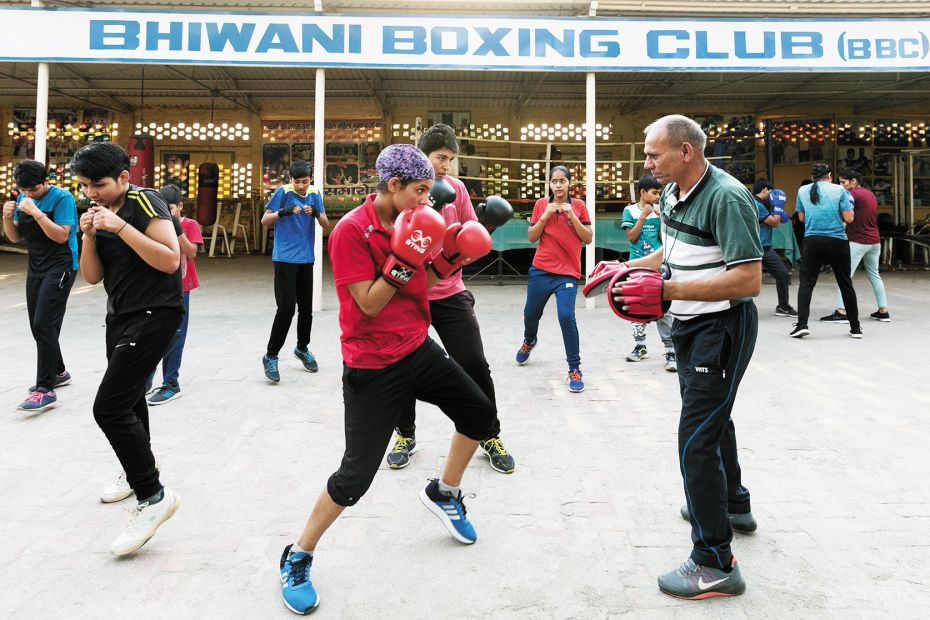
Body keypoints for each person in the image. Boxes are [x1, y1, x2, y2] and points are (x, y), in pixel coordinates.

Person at [279, 144, 498, 614]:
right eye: (419, 191)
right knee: (355, 477)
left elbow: (430, 274)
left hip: (417, 347)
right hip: (372, 364)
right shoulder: (350, 233)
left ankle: (445, 491)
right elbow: (371, 303)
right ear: (392, 185)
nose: (427, 201)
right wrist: (407, 252)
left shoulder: (418, 219)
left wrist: (455, 255)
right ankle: (298, 554)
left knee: (481, 414)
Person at [609, 115, 763, 599]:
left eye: (655, 154)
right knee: (714, 420)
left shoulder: (726, 197)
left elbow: (748, 279)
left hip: (723, 327)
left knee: (695, 439)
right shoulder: (673, 191)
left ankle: (714, 561)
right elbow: (670, 253)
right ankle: (733, 504)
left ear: (686, 152)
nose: (647, 162)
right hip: (692, 325)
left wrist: (669, 289)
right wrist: (625, 266)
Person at [384, 124, 515, 474]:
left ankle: (489, 434)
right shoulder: (406, 194)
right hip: (410, 293)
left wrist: (487, 226)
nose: (445, 166)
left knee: (474, 363)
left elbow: (472, 235)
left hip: (451, 290)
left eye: (450, 160)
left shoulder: (456, 189)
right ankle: (405, 435)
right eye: (440, 158)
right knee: (401, 367)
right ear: (422, 155)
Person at [73, 142, 183, 556]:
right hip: (120, 313)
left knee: (109, 407)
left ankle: (153, 495)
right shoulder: (98, 215)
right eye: (84, 186)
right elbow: (91, 277)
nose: (92, 194)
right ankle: (139, 469)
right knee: (131, 398)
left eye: (98, 184)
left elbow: (170, 261)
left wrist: (119, 228)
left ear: (123, 177)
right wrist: (88, 235)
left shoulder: (144, 201)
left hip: (156, 312)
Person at [3, 159, 78, 412]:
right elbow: (14, 237)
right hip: (36, 267)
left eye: (33, 190)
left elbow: (61, 235)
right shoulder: (23, 198)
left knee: (43, 324)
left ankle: (45, 389)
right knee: (39, 325)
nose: (28, 194)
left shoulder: (62, 198)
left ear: (46, 181)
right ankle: (58, 371)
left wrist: (35, 212)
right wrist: (6, 216)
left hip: (61, 265)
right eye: (24, 190)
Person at [515, 165, 592, 392]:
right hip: (541, 270)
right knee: (531, 314)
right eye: (554, 181)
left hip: (567, 273)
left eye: (562, 181)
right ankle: (530, 340)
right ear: (549, 184)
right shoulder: (541, 205)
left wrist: (572, 216)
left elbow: (587, 238)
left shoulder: (579, 206)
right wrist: (545, 216)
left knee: (566, 316)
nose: (558, 185)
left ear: (570, 183)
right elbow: (531, 237)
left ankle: (574, 369)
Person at [260, 160, 330, 383]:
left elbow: (325, 223)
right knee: (286, 309)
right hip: (284, 258)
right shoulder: (283, 191)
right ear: (290, 179)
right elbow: (265, 219)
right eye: (297, 181)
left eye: (305, 181)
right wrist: (283, 212)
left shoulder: (314, 193)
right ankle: (271, 355)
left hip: (306, 257)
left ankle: (302, 347)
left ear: (310, 179)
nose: (301, 186)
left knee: (306, 309)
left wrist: (316, 213)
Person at [145, 185, 203, 405]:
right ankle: (147, 375)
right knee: (151, 333)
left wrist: (176, 229)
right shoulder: (155, 224)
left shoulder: (190, 224)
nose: (166, 214)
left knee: (176, 335)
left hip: (181, 287)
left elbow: (192, 252)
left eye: (169, 209)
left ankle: (171, 383)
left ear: (180, 206)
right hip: (155, 286)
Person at [790, 163, 861, 339]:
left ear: (812, 175)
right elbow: (849, 218)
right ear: (829, 175)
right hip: (837, 241)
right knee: (845, 284)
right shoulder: (839, 190)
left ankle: (802, 324)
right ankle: (855, 328)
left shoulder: (803, 191)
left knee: (806, 283)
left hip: (812, 241)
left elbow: (801, 217)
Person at [620, 174, 676, 371]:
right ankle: (639, 345)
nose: (657, 196)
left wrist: (661, 218)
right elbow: (631, 238)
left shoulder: (661, 211)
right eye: (654, 193)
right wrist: (643, 216)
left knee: (663, 306)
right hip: (638, 265)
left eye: (659, 193)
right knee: (637, 305)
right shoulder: (629, 210)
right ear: (642, 192)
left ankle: (670, 350)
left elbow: (664, 238)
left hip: (658, 264)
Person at [822, 169, 890, 322]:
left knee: (844, 276)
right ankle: (883, 310)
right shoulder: (869, 194)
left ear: (854, 181)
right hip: (874, 241)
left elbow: (842, 213)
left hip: (858, 241)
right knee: (874, 275)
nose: (841, 185)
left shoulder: (851, 194)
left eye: (843, 182)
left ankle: (841, 311)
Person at [752, 179, 797, 317]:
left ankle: (783, 306)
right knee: (749, 280)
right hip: (754, 249)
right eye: (770, 192)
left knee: (783, 275)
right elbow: (775, 223)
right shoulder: (756, 204)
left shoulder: (764, 204)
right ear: (765, 190)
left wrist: (777, 209)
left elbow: (782, 219)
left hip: (766, 248)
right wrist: (778, 208)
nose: (772, 195)